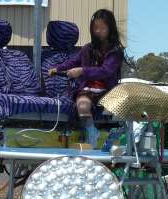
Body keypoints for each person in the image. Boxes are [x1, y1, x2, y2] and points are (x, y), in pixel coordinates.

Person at [48, 9, 124, 147]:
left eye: (103, 28)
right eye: (96, 28)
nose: (99, 31)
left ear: (110, 28)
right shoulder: (87, 48)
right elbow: (73, 61)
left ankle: (116, 134)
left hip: (108, 92)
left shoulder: (116, 51)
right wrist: (58, 69)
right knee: (82, 105)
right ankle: (92, 132)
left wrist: (82, 71)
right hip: (87, 90)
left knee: (116, 110)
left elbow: (106, 71)